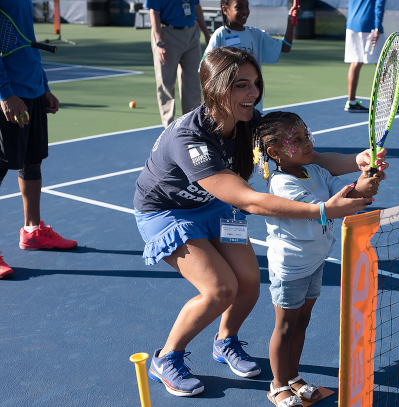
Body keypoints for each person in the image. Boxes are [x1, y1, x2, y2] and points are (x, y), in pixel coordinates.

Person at [133, 47, 384, 397]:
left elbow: (312, 160)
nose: (252, 93)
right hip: (169, 212)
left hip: (215, 206)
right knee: (220, 289)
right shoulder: (188, 139)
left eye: (255, 84)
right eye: (240, 85)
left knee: (249, 282)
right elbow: (248, 199)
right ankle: (167, 356)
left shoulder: (251, 121)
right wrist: (324, 210)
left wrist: (356, 160)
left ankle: (225, 341)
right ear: (214, 89)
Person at [253, 111, 386, 406]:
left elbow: (340, 198)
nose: (306, 143)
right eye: (296, 140)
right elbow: (324, 208)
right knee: (285, 326)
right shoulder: (281, 184)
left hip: (315, 261)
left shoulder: (314, 171)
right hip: (290, 267)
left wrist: (366, 179)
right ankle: (277, 384)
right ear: (274, 152)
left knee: (302, 321)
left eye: (306, 136)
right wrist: (356, 192)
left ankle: (293, 377)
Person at [0, 0, 77, 280]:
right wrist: (5, 94)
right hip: (9, 95)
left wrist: (43, 86)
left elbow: (27, 42)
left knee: (32, 162)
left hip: (31, 90)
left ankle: (33, 231)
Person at [202, 0, 299, 111]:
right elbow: (206, 68)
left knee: (252, 125)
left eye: (247, 6)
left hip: (252, 101)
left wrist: (291, 20)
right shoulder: (220, 34)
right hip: (229, 103)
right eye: (239, 7)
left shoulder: (255, 34)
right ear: (225, 10)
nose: (245, 11)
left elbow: (286, 47)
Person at [146, 0, 211, 128]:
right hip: (167, 35)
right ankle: (169, 128)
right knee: (166, 83)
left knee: (193, 83)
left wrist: (206, 34)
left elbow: (197, 7)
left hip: (191, 34)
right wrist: (159, 43)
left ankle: (193, 125)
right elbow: (154, 12)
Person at [344, 0, 386, 112]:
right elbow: (379, 5)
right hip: (370, 25)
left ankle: (351, 101)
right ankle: (389, 103)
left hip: (352, 23)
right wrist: (377, 28)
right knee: (382, 63)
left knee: (356, 61)